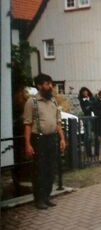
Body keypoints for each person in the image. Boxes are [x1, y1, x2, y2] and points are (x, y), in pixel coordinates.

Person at [23, 74, 66, 209]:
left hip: (52, 138)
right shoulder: (32, 102)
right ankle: (39, 199)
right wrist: (28, 144)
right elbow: (27, 124)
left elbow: (58, 122)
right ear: (39, 86)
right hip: (39, 139)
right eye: (47, 84)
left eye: (50, 84)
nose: (50, 87)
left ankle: (47, 196)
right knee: (40, 170)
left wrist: (62, 138)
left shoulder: (53, 101)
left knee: (50, 169)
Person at [78, 87, 96, 157]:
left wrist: (90, 106)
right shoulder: (82, 101)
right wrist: (91, 105)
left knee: (95, 136)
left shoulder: (92, 98)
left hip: (94, 117)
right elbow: (85, 110)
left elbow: (95, 106)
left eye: (86, 91)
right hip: (87, 118)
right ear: (82, 93)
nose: (85, 93)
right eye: (83, 92)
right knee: (88, 136)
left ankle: (96, 152)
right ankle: (89, 152)